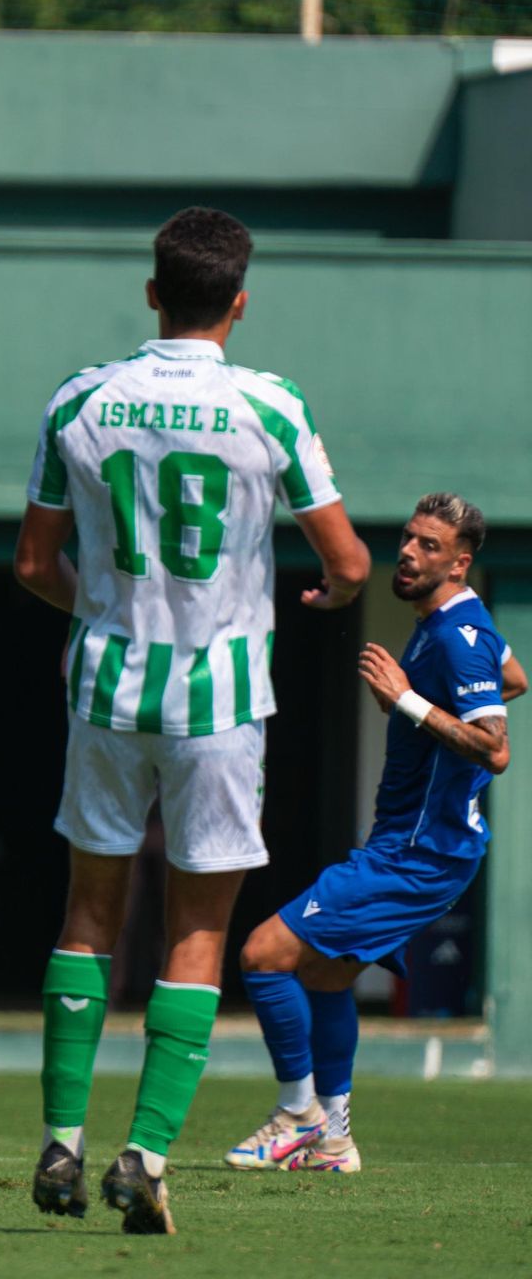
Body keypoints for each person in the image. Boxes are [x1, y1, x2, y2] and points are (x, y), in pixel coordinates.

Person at [15, 206, 371, 1234]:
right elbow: (348, 561)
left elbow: (34, 564)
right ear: (239, 302)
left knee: (89, 914)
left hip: (106, 687)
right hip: (219, 699)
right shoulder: (270, 405)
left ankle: (62, 1140)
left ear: (152, 292)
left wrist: (97, 606)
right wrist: (335, 595)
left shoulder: (80, 399)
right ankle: (145, 1153)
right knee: (198, 930)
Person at [227, 494, 525, 1175]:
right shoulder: (456, 625)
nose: (409, 553)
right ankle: (334, 1142)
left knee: (263, 955)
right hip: (417, 848)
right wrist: (428, 704)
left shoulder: (455, 636)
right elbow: (514, 678)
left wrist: (407, 701)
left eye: (429, 545)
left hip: (420, 853)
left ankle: (298, 1114)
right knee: (325, 975)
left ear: (460, 563)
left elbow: (495, 750)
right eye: (409, 539)